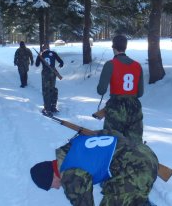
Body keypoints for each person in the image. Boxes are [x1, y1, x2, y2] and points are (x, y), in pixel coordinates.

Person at [30, 130, 158, 206]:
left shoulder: (69, 175)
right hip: (143, 153)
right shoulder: (69, 150)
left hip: (137, 168)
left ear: (51, 175)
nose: (57, 187)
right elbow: (107, 134)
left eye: (52, 185)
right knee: (115, 192)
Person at [97, 35, 144, 144]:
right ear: (125, 47)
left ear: (113, 47)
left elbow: (101, 90)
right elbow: (140, 93)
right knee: (134, 143)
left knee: (112, 141)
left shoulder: (110, 64)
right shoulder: (137, 65)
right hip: (134, 108)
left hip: (116, 107)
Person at [35, 45, 63, 115]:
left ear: (42, 49)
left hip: (45, 74)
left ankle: (47, 109)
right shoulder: (53, 53)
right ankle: (53, 106)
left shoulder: (42, 54)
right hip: (53, 73)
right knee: (52, 89)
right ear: (49, 48)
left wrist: (39, 57)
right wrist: (60, 65)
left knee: (46, 90)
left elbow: (37, 64)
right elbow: (61, 62)